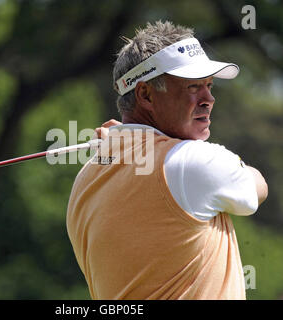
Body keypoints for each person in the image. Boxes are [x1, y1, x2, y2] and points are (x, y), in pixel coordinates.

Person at [66, 20, 268, 300]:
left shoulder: (85, 178)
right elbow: (258, 187)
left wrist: (125, 142)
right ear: (146, 94)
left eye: (209, 86)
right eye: (192, 87)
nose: (209, 98)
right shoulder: (190, 163)